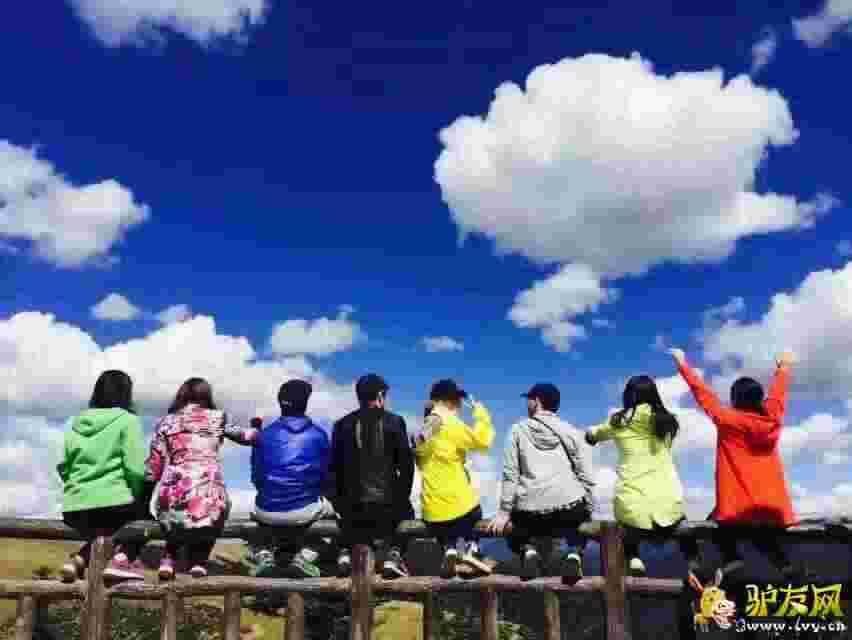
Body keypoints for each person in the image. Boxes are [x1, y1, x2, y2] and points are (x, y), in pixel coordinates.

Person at [669, 347, 798, 581]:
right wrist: (784, 367)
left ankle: (732, 559)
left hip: (738, 509)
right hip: (774, 510)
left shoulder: (728, 420)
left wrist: (682, 364)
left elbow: (703, 393)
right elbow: (778, 395)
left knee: (716, 526)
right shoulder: (772, 419)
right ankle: (783, 563)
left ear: (735, 399)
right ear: (759, 398)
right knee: (760, 532)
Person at [585, 375, 698, 578]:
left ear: (629, 395)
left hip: (632, 501)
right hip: (668, 500)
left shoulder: (619, 420)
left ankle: (634, 557)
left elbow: (592, 435)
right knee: (682, 521)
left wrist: (590, 434)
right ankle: (694, 562)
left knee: (627, 520)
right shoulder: (668, 421)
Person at [146, 377, 258, 580]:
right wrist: (257, 428)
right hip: (208, 492)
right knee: (217, 508)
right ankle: (199, 560)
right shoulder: (218, 418)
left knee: (175, 516)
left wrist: (145, 497)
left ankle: (169, 558)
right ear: (207, 395)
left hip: (172, 493)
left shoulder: (165, 422)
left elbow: (154, 467)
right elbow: (247, 437)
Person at [488, 384, 595, 583]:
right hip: (568, 507)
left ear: (536, 401)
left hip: (530, 513)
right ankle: (574, 554)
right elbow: (585, 474)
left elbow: (511, 474)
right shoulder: (570, 430)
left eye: (529, 399)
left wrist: (503, 512)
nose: (527, 403)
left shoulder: (517, 430)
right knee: (582, 517)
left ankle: (528, 551)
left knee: (514, 526)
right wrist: (587, 508)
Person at [58, 370, 151, 582]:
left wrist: (78, 490)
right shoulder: (128, 420)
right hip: (114, 505)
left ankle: (78, 560)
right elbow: (135, 469)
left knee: (105, 534)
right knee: (147, 520)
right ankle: (122, 559)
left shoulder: (76, 423)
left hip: (74, 509)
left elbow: (64, 467)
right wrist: (136, 495)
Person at [331, 374, 415, 579]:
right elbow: (406, 467)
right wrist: (401, 498)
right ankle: (394, 555)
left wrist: (341, 504)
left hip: (353, 507)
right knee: (408, 515)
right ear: (379, 395)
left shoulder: (342, 424)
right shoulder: (394, 422)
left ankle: (346, 552)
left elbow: (334, 469)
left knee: (351, 523)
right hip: (387, 505)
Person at [250, 379, 336, 579]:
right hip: (304, 509)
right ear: (306, 402)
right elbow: (327, 478)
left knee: (255, 521)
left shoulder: (263, 435)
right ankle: (305, 556)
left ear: (280, 402)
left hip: (265, 510)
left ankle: (263, 555)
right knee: (337, 516)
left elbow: (256, 477)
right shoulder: (319, 435)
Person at [415, 379, 495, 578]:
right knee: (475, 512)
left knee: (444, 525)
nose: (460, 405)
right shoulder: (451, 423)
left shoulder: (424, 429)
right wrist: (481, 414)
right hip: (457, 504)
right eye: (458, 400)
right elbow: (482, 442)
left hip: (431, 510)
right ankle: (472, 549)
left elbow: (420, 460)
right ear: (451, 401)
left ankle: (449, 549)